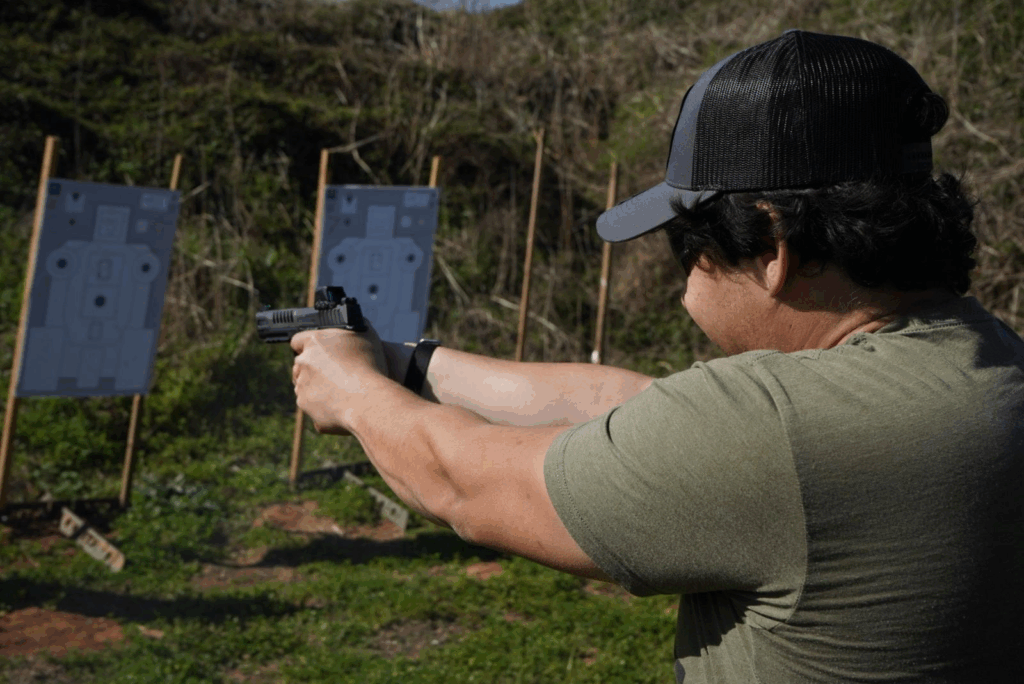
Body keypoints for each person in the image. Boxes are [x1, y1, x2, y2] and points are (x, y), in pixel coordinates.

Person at [290, 30, 1024, 683]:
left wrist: (352, 392)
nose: (684, 275)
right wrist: (405, 362)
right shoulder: (986, 363)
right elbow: (629, 407)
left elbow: (467, 485)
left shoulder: (772, 428)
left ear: (772, 246)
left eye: (685, 241)